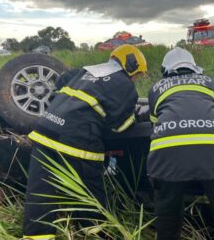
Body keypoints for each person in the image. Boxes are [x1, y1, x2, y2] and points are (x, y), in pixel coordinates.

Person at [22, 44, 147, 240]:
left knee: (40, 192)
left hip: (45, 132)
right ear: (131, 66)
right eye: (137, 75)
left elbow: (59, 86)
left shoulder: (85, 70)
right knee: (91, 190)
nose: (135, 79)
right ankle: (95, 233)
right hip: (76, 140)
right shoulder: (124, 84)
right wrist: (135, 117)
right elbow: (120, 127)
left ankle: (37, 236)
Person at [147, 47, 214, 240]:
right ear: (195, 67)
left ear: (166, 70)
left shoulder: (156, 88)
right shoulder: (210, 83)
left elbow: (155, 125)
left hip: (167, 157)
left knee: (167, 217)